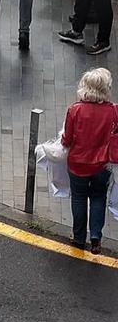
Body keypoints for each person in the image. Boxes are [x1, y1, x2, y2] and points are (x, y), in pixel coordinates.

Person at [60, 68, 118, 252]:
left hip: (78, 163)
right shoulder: (114, 111)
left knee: (78, 198)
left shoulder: (75, 110)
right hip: (103, 165)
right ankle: (95, 237)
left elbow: (67, 139)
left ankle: (78, 238)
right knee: (98, 197)